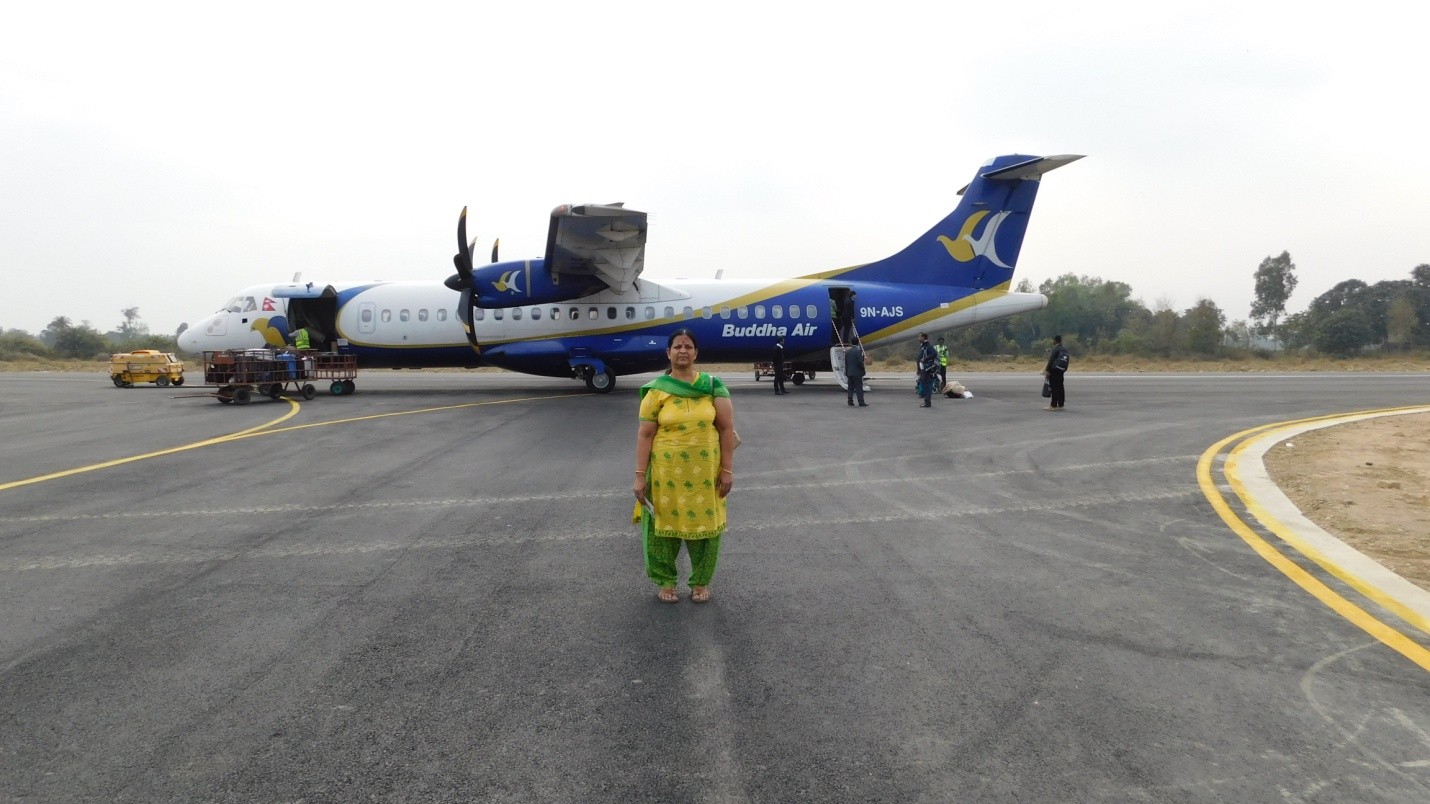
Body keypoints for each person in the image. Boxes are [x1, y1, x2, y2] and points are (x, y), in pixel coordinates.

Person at [633, 329, 737, 603]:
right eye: (677, 346)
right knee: (662, 530)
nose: (683, 351)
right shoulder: (656, 391)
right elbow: (645, 435)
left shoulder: (713, 386)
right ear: (668, 353)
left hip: (706, 476)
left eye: (688, 346)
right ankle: (666, 581)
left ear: (696, 353)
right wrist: (640, 476)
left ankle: (700, 581)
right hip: (666, 476)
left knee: (706, 529)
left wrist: (727, 470)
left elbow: (727, 430)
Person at [1043, 334, 1069, 410]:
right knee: (1060, 386)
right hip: (1061, 370)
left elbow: (1051, 360)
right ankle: (1061, 404)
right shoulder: (1063, 349)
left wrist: (1047, 370)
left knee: (1054, 387)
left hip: (1054, 370)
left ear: (1054, 340)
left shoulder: (1055, 349)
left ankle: (1053, 405)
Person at [844, 336, 869, 407]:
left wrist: (846, 372)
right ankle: (861, 402)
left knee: (850, 388)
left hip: (849, 373)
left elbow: (846, 363)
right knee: (858, 387)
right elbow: (860, 362)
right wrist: (863, 370)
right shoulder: (858, 351)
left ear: (851, 343)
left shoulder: (847, 352)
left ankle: (850, 401)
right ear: (858, 342)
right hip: (857, 373)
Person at [916, 333, 937, 408]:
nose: (918, 338)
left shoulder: (928, 346)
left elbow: (934, 353)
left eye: (919, 337)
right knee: (924, 384)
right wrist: (918, 369)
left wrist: (926, 359)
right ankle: (927, 401)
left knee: (926, 385)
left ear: (923, 337)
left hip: (927, 369)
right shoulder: (923, 346)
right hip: (922, 368)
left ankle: (927, 402)